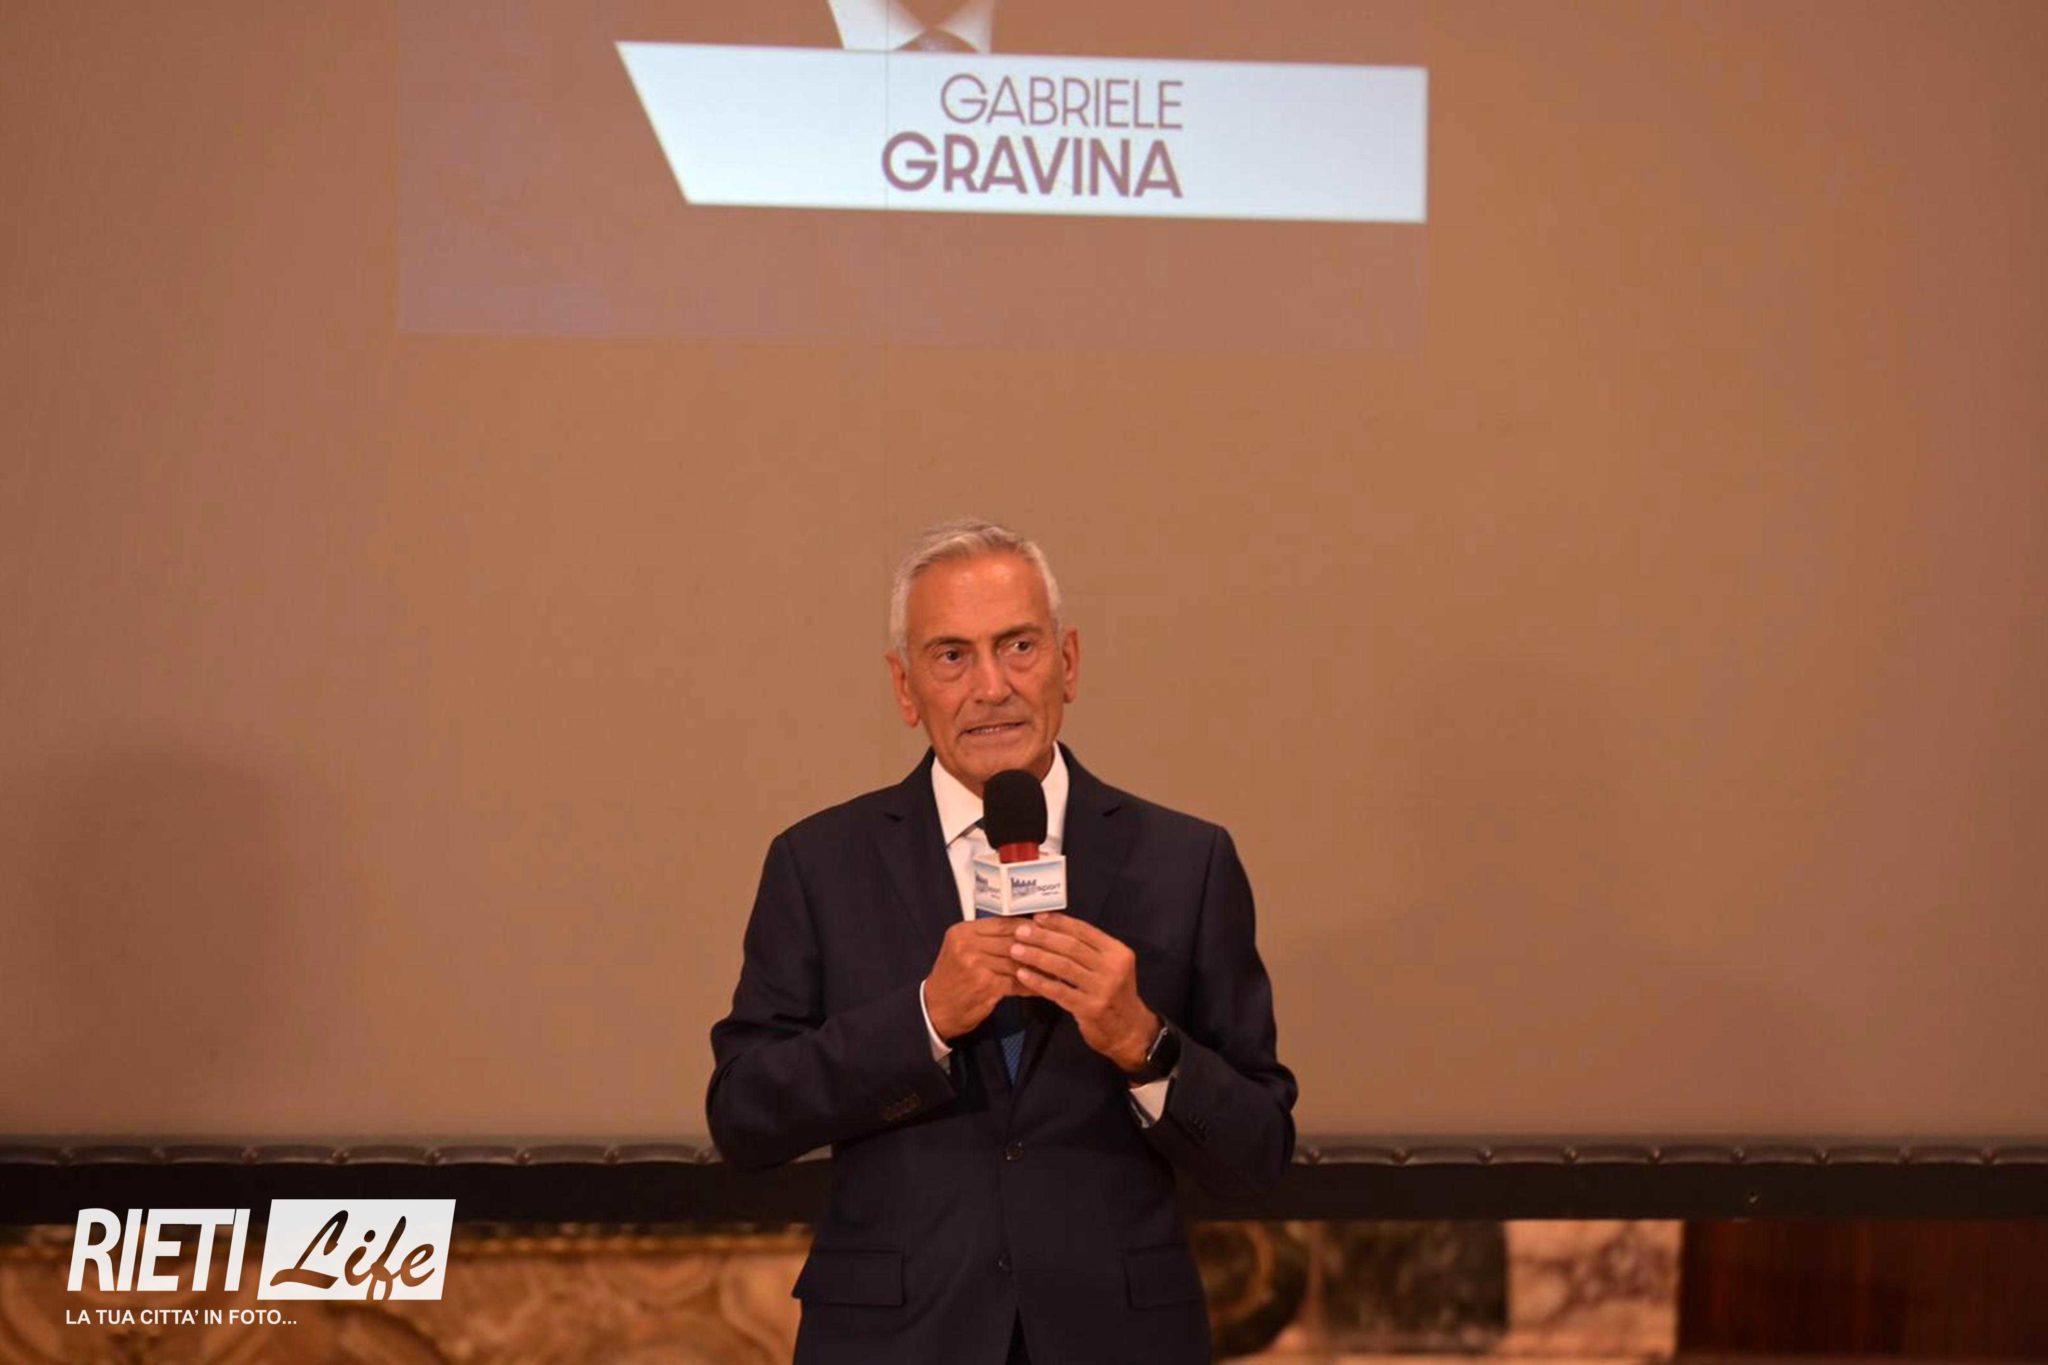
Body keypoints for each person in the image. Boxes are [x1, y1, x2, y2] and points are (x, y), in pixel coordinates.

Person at [707, 518, 1296, 1365]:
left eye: (1019, 645)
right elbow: (745, 1116)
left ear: (1069, 662)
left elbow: (1259, 1152)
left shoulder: (1186, 861)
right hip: (894, 1342)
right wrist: (923, 1021)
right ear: (905, 687)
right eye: (952, 655)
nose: (992, 687)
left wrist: (1145, 1043)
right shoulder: (818, 863)